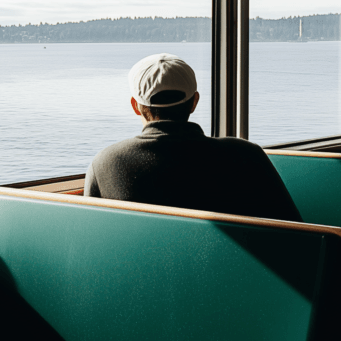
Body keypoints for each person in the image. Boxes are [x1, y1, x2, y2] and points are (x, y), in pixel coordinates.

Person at [84, 53, 301, 221]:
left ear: (136, 106)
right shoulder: (247, 155)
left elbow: (89, 239)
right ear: (195, 101)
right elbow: (296, 232)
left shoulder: (105, 162)